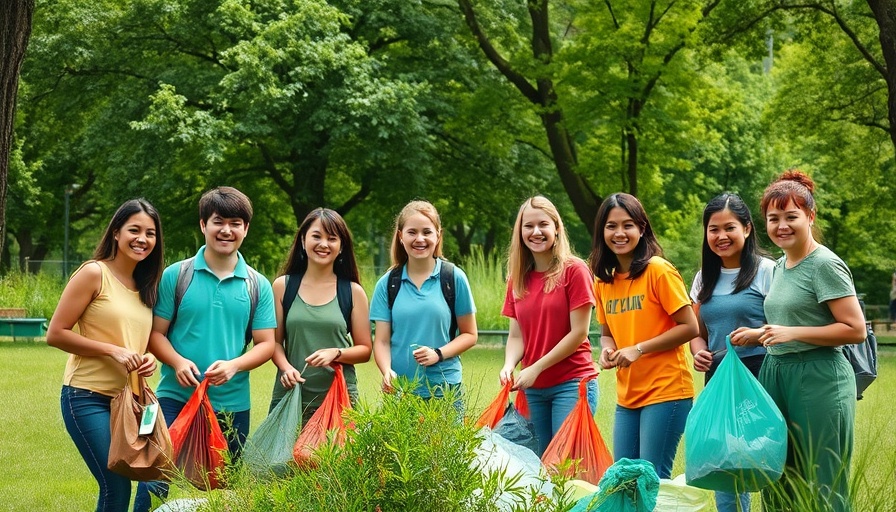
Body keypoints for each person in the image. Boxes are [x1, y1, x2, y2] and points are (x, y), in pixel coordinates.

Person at [134, 187, 276, 512]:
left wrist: (234, 365)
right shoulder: (176, 275)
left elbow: (267, 344)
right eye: (218, 221)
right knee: (154, 476)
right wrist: (177, 361)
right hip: (173, 396)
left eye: (235, 223)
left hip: (232, 403)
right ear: (203, 225)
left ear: (246, 229)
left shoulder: (257, 284)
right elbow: (156, 335)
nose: (226, 230)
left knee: (222, 489)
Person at [731, 170, 865, 512]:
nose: (782, 226)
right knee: (778, 474)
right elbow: (792, 320)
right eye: (773, 218)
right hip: (777, 373)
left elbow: (854, 329)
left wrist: (792, 333)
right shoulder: (780, 266)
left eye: (791, 217)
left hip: (819, 377)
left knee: (822, 480)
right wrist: (759, 334)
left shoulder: (825, 265)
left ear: (810, 216)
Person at [47, 199, 164, 512]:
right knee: (115, 485)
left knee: (148, 476)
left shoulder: (146, 285)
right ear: (116, 232)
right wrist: (113, 351)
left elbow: (135, 339)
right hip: (87, 397)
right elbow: (56, 333)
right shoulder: (94, 273)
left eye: (150, 233)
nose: (142, 239)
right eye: (134, 230)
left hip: (131, 403)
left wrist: (148, 357)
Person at [590, 192, 698, 479]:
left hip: (666, 391)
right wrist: (606, 350)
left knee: (652, 478)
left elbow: (690, 327)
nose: (619, 233)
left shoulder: (658, 271)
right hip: (628, 396)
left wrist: (638, 349)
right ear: (602, 232)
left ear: (641, 228)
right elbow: (607, 333)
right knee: (624, 478)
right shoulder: (603, 281)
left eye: (628, 225)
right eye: (611, 226)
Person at [688, 193, 774, 512]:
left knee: (764, 456)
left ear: (747, 229)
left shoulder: (766, 270)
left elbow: (785, 326)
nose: (721, 236)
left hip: (760, 376)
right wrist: (699, 352)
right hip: (719, 379)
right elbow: (698, 332)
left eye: (729, 228)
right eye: (714, 229)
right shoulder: (703, 278)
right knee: (724, 460)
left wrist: (757, 336)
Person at [499, 196, 599, 457]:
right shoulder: (516, 279)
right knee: (535, 466)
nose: (536, 232)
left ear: (556, 228)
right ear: (520, 233)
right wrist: (509, 365)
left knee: (563, 465)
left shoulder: (575, 270)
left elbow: (579, 333)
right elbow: (516, 335)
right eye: (528, 226)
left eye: (543, 224)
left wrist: (536, 367)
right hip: (532, 390)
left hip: (572, 383)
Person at [370, 200, 477, 409]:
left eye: (427, 232)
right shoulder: (387, 284)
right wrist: (387, 371)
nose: (420, 239)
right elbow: (381, 341)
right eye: (412, 232)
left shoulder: (453, 278)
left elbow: (470, 334)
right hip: (401, 391)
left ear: (438, 235)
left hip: (445, 390)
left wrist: (438, 354)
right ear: (401, 236)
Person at [269, 208, 372, 422]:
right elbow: (274, 343)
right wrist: (286, 369)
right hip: (291, 395)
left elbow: (365, 350)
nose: (323, 244)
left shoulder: (353, 292)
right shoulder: (282, 287)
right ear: (303, 240)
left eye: (332, 239)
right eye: (316, 236)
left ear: (341, 247)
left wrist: (336, 353)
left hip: (338, 399)